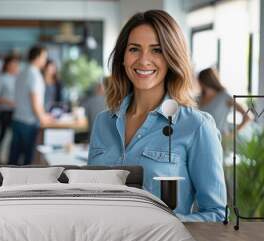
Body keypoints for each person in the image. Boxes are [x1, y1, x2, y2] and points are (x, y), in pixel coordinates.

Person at [88, 10, 226, 222]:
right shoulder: (103, 122)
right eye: (134, 49)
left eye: (157, 50)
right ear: (123, 58)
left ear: (172, 57)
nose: (144, 60)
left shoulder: (196, 126)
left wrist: (164, 225)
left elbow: (217, 215)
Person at [8, 45, 55, 165]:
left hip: (18, 118)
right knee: (28, 161)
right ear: (38, 57)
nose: (45, 60)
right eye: (44, 57)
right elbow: (35, 102)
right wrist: (43, 118)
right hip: (29, 123)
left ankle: (7, 182)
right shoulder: (34, 75)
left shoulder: (22, 72)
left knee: (13, 159)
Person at [198, 67, 250, 135]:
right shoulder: (198, 98)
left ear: (205, 81)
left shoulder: (224, 96)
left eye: (200, 81)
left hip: (220, 141)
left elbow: (248, 117)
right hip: (200, 139)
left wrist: (232, 134)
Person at [0, 55, 20, 164]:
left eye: (16, 64)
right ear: (7, 65)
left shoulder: (18, 78)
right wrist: (9, 102)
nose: (15, 66)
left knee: (16, 137)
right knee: (2, 135)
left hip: (17, 112)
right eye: (13, 64)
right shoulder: (1, 78)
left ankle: (12, 159)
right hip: (5, 112)